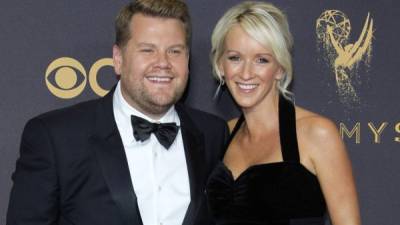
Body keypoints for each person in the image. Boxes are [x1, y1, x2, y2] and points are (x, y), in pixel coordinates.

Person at [7, 1, 229, 225]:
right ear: (118, 59)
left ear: (187, 60)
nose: (163, 63)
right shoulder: (56, 137)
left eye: (174, 51)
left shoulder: (212, 133)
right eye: (147, 50)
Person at [206, 1, 361, 225]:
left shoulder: (316, 133)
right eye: (235, 58)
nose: (246, 73)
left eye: (262, 60)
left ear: (280, 68)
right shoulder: (222, 134)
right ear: (221, 65)